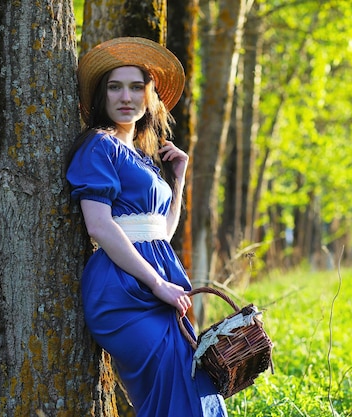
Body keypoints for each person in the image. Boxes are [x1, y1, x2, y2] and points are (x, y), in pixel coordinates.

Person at [67, 37, 228, 417]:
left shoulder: (143, 158)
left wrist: (179, 180)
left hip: (160, 285)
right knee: (174, 376)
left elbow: (161, 234)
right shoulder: (99, 146)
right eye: (115, 86)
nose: (126, 97)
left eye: (136, 87)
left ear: (150, 96)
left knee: (192, 376)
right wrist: (157, 283)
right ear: (101, 96)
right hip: (122, 290)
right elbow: (100, 226)